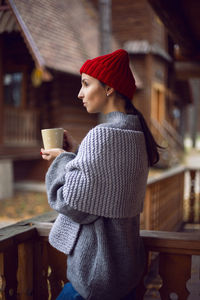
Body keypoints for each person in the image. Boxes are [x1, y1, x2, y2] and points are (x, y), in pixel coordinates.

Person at [41, 49, 160, 300]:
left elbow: (70, 201)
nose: (79, 93)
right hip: (125, 274)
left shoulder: (102, 135)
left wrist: (61, 159)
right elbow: (101, 192)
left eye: (85, 84)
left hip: (94, 278)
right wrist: (74, 155)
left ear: (109, 88)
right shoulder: (137, 137)